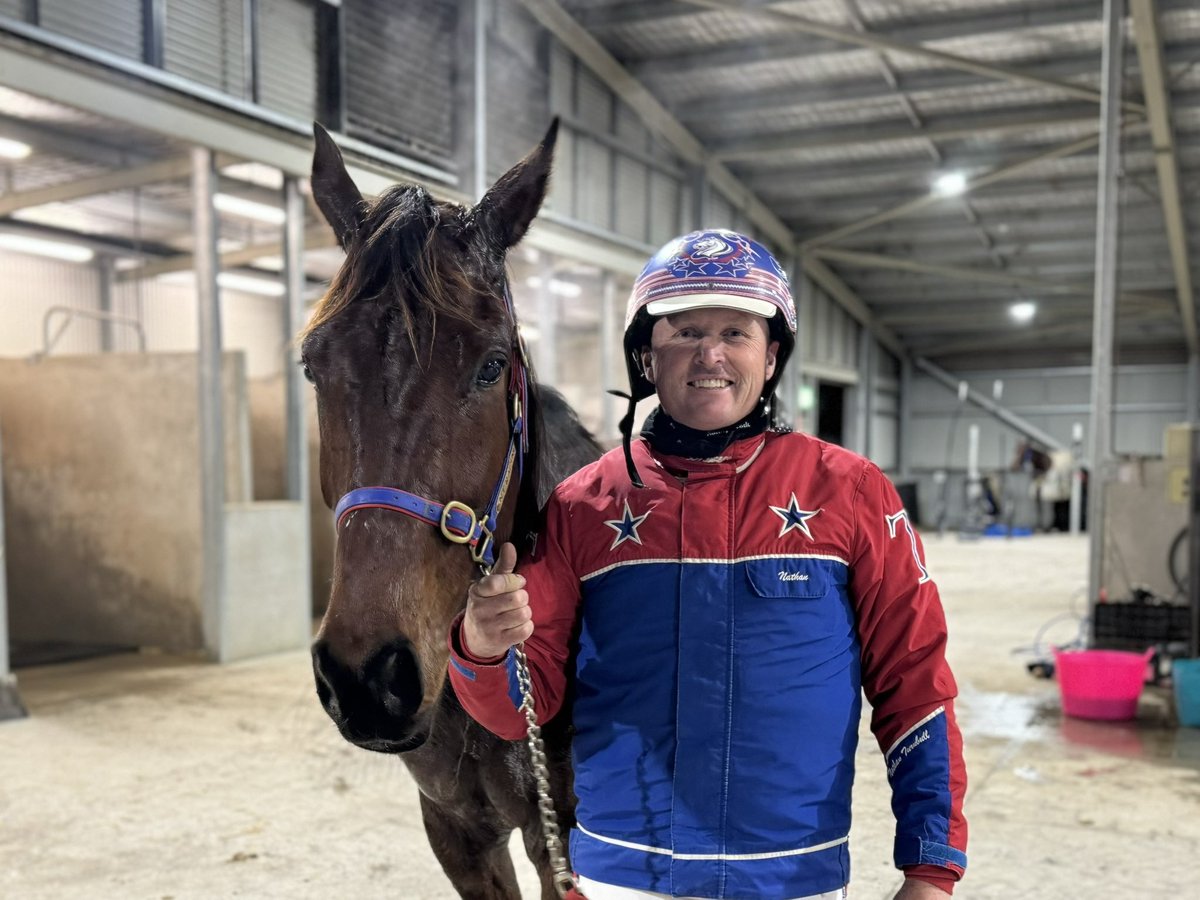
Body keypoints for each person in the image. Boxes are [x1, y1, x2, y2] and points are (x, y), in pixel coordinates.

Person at [447, 229, 968, 900]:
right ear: (647, 355)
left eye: (735, 332)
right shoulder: (584, 505)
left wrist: (930, 867)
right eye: (685, 331)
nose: (710, 354)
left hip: (792, 878)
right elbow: (525, 707)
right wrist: (483, 649)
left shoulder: (852, 493)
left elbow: (916, 685)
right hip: (620, 877)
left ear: (772, 355)